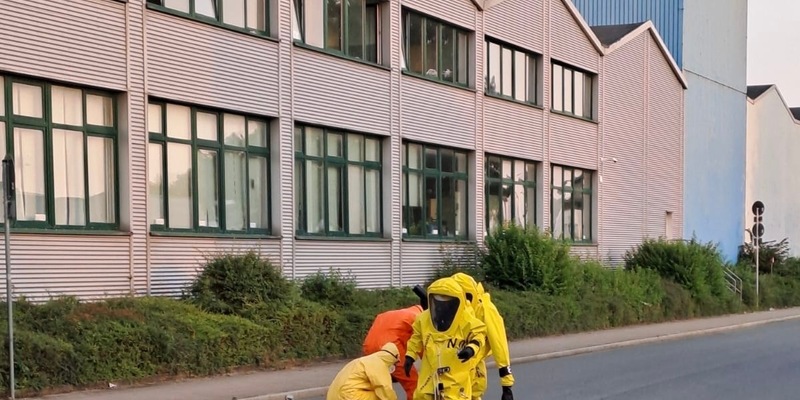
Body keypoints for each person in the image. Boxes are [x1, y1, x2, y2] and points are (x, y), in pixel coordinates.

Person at [404, 277, 487, 400]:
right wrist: (410, 356)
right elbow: (416, 337)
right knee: (422, 396)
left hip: (455, 376)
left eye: (446, 304)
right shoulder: (424, 319)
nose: (441, 308)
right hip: (430, 376)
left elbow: (478, 334)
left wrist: (471, 349)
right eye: (438, 303)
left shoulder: (466, 319)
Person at [451, 273, 514, 400]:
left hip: (473, 367)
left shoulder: (486, 309)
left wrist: (506, 385)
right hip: (454, 366)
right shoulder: (457, 309)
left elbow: (499, 344)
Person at [362, 285, 428, 399]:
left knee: (375, 384)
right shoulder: (419, 317)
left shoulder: (396, 313)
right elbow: (423, 344)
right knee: (413, 385)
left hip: (368, 348)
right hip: (390, 349)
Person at [327, 342, 400, 400]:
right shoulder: (379, 364)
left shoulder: (367, 360)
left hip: (334, 395)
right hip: (348, 395)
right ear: (393, 358)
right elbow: (385, 389)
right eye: (395, 363)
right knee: (380, 396)